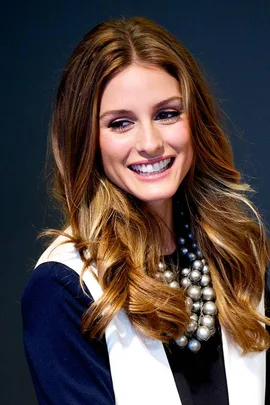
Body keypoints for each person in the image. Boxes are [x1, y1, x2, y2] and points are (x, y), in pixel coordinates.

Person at [21, 17, 270, 405]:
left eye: (167, 114)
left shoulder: (237, 252)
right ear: (86, 139)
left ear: (196, 121)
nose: (150, 142)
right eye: (121, 123)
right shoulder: (65, 287)